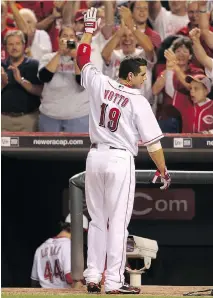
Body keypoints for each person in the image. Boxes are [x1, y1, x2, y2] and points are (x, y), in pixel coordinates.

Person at [76, 7, 171, 294]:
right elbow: (153, 144)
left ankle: (92, 276)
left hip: (94, 157)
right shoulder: (137, 99)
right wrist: (163, 170)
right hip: (118, 159)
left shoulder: (101, 83)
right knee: (117, 223)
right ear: (129, 77)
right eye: (141, 74)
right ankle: (115, 282)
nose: (144, 78)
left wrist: (90, 29)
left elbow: (82, 57)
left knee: (96, 222)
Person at [31, 214, 88, 288]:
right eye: (83, 232)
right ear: (79, 230)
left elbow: (34, 281)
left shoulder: (40, 248)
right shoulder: (69, 245)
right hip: (63, 293)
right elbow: (70, 277)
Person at [1, 30, 43, 132]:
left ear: (24, 45)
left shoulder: (34, 65)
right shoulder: (1, 66)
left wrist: (21, 81)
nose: (14, 47)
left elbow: (41, 91)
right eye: (10, 44)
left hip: (28, 119)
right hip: (3, 119)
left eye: (17, 43)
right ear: (5, 47)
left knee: (29, 148)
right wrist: (2, 84)